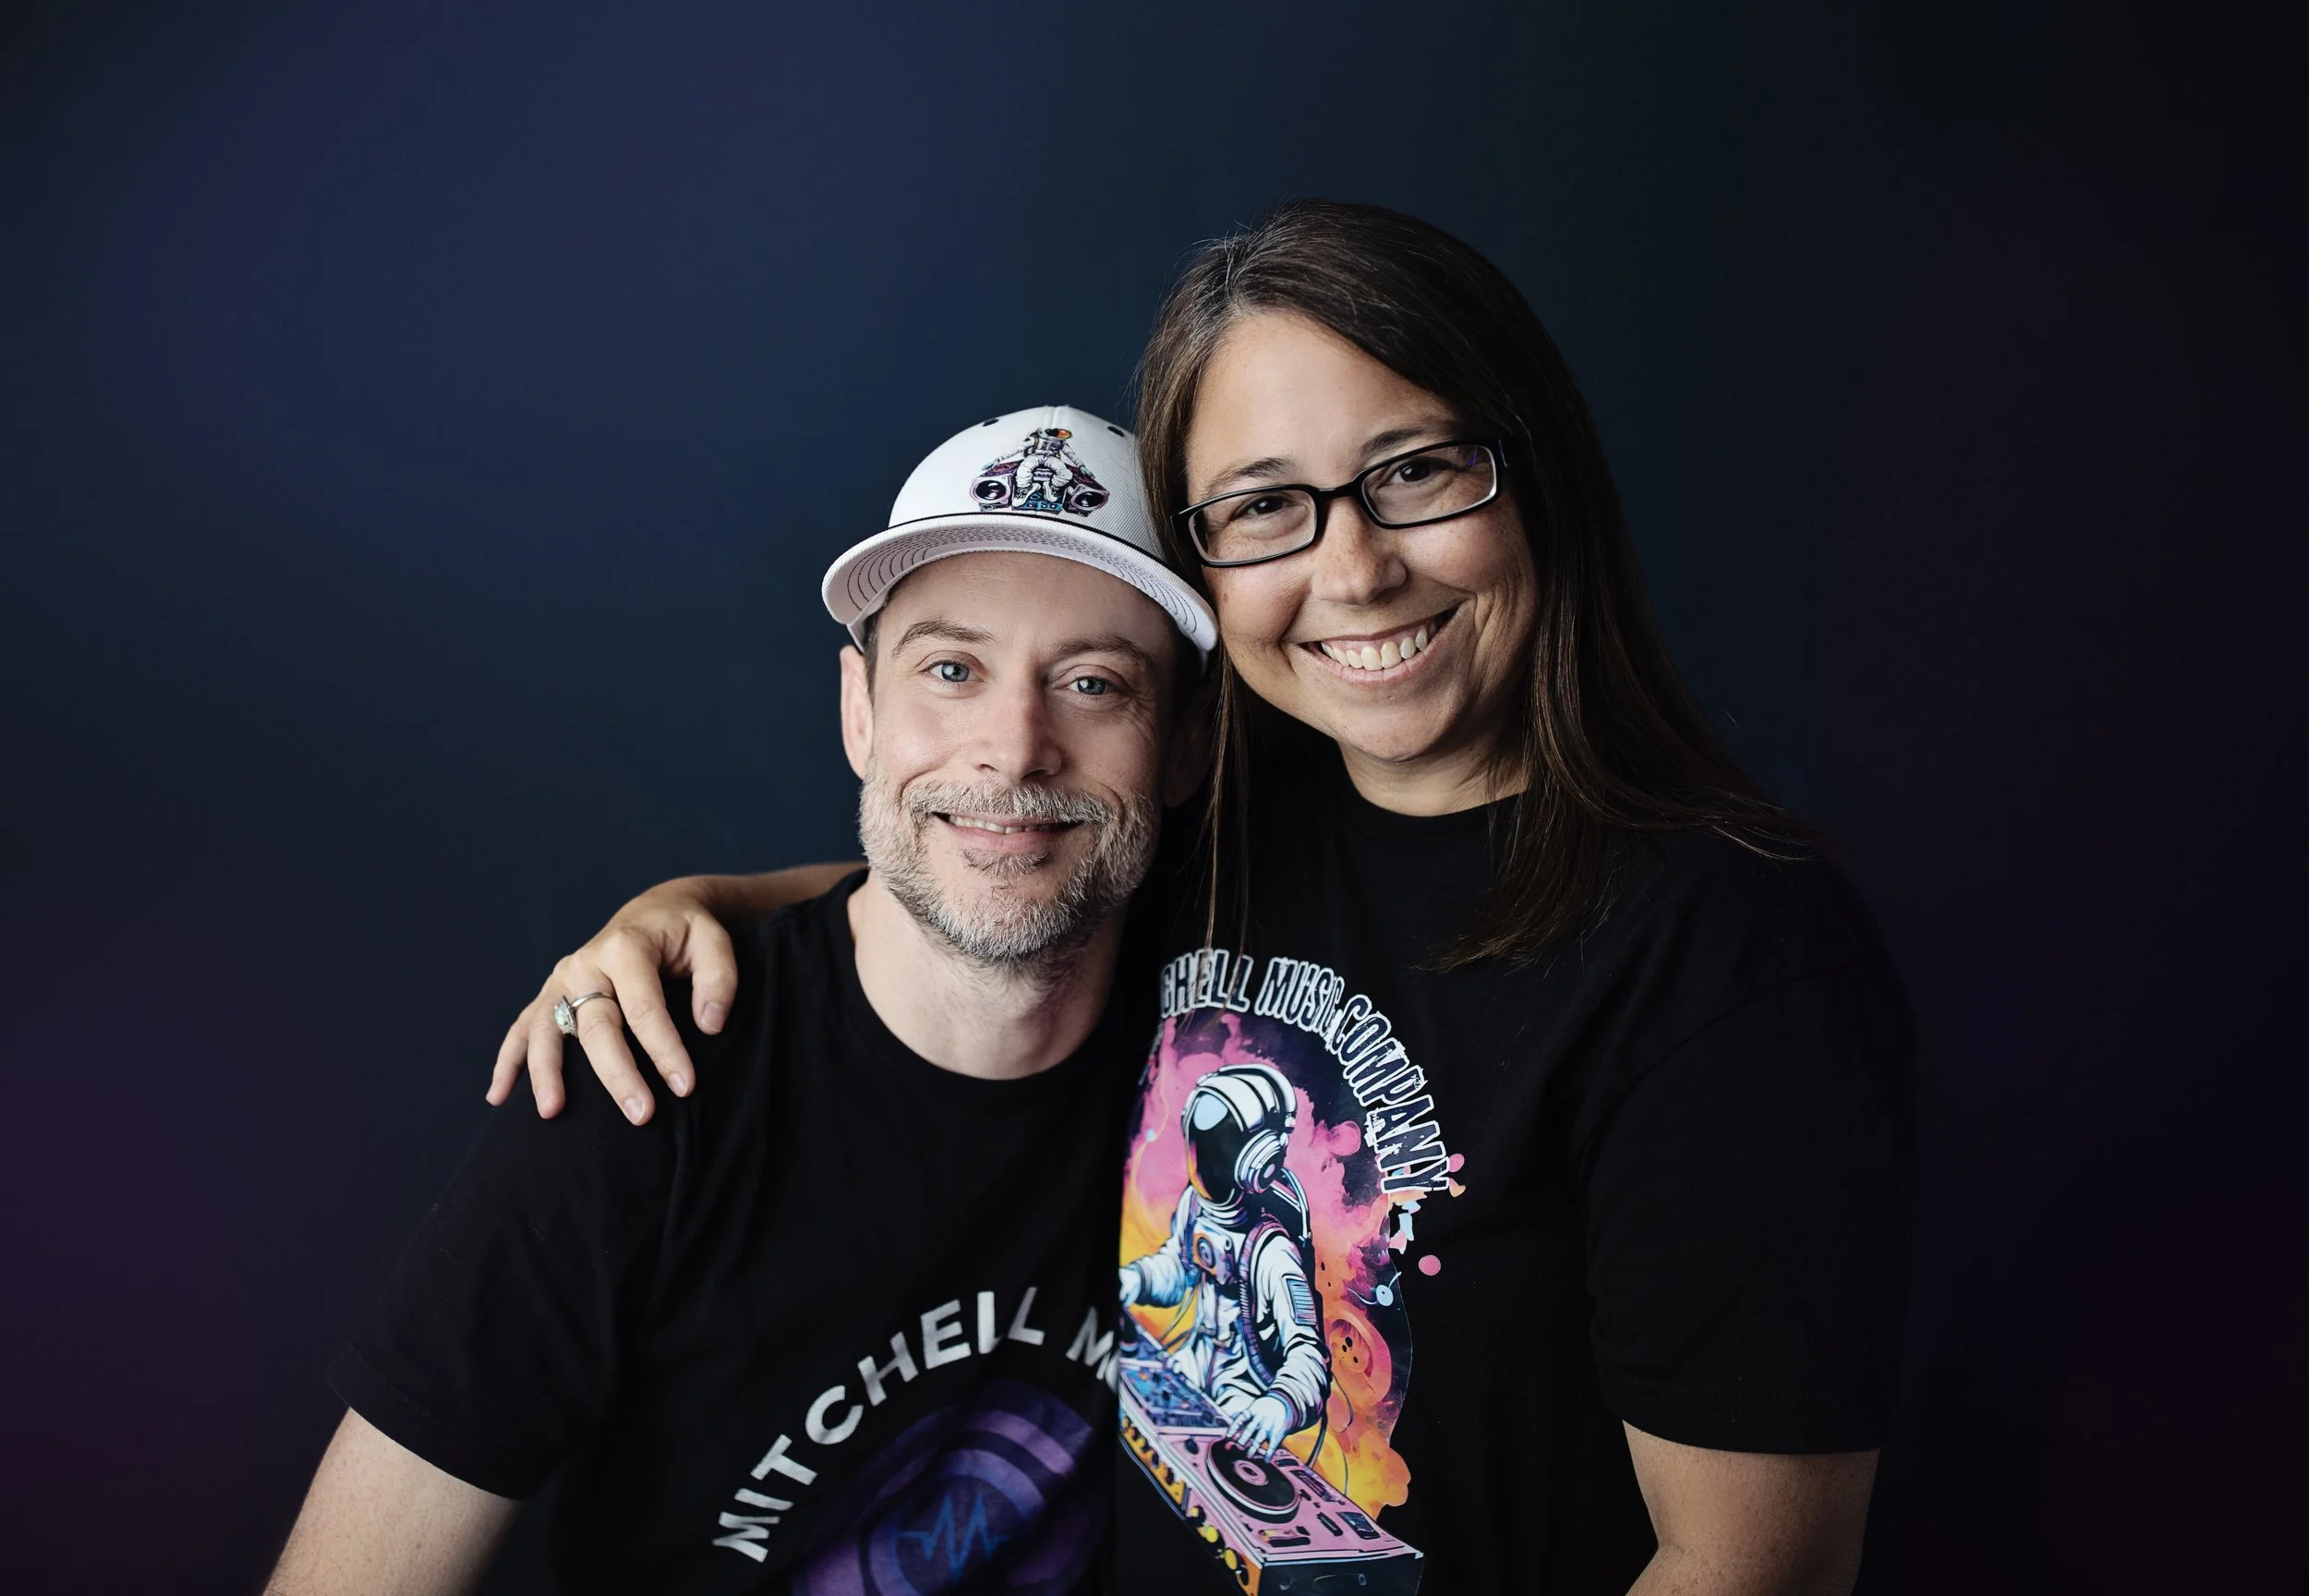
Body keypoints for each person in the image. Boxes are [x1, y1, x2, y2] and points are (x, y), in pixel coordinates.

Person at [498, 201, 1916, 1596]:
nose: (1353, 570)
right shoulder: (1228, 824)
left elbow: (1754, 1565)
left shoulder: (1726, 953)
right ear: (1204, 562)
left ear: (1531, 470)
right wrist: (695, 909)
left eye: (1416, 471)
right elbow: (986, 869)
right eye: (1264, 509)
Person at [268, 405, 1215, 1594]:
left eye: (1092, 682)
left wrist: (712, 893)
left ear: (1183, 745)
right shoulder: (641, 1075)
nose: (1014, 747)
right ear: (859, 709)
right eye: (951, 669)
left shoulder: (1238, 1039)